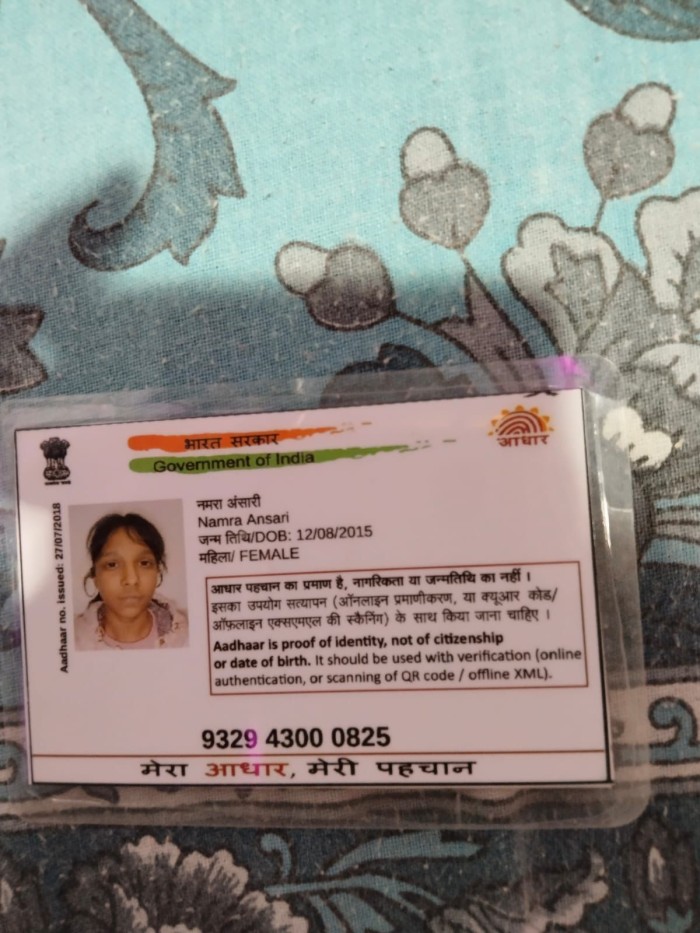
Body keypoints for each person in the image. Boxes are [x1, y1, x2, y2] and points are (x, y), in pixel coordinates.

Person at [75, 512, 188, 650]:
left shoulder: (188, 635)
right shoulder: (72, 640)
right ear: (95, 576)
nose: (131, 579)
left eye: (144, 563)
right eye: (112, 565)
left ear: (157, 571)